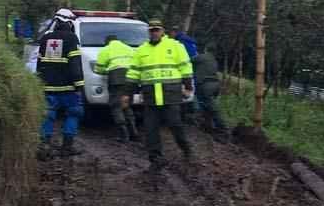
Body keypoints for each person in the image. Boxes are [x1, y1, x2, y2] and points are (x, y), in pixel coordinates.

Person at [126, 19, 194, 176]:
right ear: (148, 32)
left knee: (175, 124)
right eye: (151, 30)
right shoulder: (141, 50)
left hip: (170, 94)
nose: (154, 32)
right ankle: (156, 159)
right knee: (150, 130)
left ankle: (186, 150)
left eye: (157, 30)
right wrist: (127, 93)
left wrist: (188, 86)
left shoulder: (175, 46)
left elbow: (185, 66)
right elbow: (133, 74)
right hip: (150, 97)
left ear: (163, 31)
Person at [36, 8, 85, 158]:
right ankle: (67, 147)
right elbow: (75, 65)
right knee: (74, 113)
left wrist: (39, 82)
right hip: (67, 88)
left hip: (47, 87)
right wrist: (80, 85)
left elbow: (39, 63)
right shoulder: (71, 39)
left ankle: (44, 147)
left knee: (48, 115)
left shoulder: (45, 38)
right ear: (69, 22)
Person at [95, 34, 139, 143]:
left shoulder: (106, 49)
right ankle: (134, 133)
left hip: (116, 78)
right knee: (127, 105)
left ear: (107, 42)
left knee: (116, 106)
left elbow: (99, 68)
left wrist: (105, 71)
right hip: (131, 79)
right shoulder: (129, 48)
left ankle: (123, 134)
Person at [192, 46, 229, 141]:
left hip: (206, 85)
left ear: (206, 50)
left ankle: (224, 130)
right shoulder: (214, 60)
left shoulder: (202, 57)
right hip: (215, 85)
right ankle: (208, 126)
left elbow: (189, 61)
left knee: (213, 108)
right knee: (207, 106)